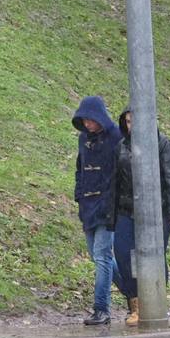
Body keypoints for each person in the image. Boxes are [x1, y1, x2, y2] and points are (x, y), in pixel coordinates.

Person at [109, 108, 170, 326]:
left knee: (153, 257)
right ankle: (135, 305)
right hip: (126, 211)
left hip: (157, 212)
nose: (132, 126)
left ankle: (156, 303)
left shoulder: (163, 145)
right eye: (128, 122)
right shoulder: (121, 147)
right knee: (124, 255)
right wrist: (111, 212)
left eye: (135, 121)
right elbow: (115, 183)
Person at [73, 95, 122, 326]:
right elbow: (80, 168)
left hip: (107, 205)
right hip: (88, 205)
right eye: (84, 121)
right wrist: (79, 194)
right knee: (98, 256)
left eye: (90, 120)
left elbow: (121, 171)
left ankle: (101, 309)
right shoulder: (84, 139)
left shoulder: (115, 137)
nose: (87, 124)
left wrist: (114, 199)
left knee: (102, 256)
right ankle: (133, 291)